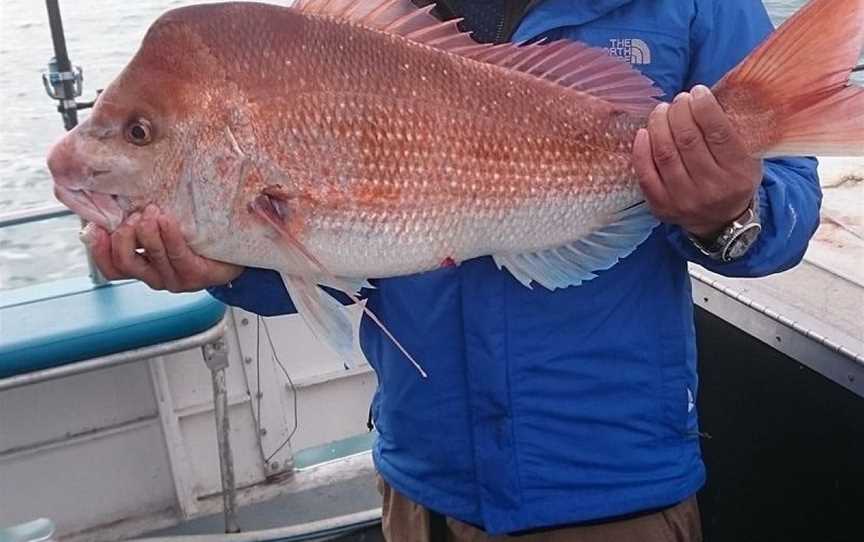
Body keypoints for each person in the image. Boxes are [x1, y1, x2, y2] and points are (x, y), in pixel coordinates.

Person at [87, 1, 822, 540]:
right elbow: (335, 252)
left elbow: (785, 212)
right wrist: (220, 268)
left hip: (615, 492)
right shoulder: (347, 26)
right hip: (423, 495)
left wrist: (725, 212)